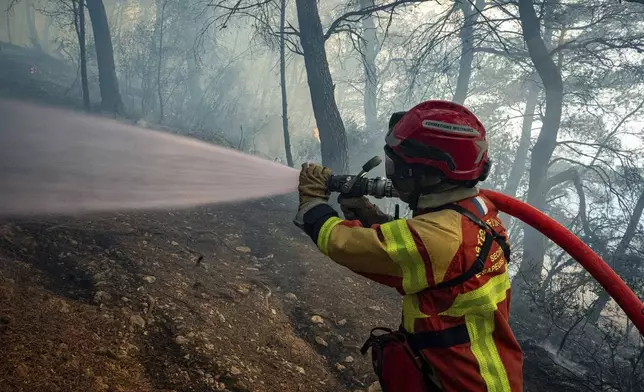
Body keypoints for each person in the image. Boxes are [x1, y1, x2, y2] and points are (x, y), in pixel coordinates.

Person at [294, 100, 523, 392]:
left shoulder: (440, 239)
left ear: (430, 175)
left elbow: (343, 243)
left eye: (398, 166)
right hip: (471, 374)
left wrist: (312, 203)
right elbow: (428, 247)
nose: (392, 174)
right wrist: (371, 215)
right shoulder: (475, 208)